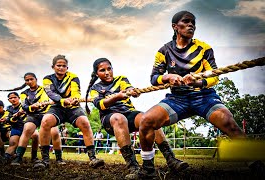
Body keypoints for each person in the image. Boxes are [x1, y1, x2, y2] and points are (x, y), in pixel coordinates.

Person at [138, 11, 250, 178]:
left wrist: (197, 82)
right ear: (175, 27)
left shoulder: (204, 48)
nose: (191, 25)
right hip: (177, 99)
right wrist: (168, 76)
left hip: (204, 96)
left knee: (228, 122)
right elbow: (154, 78)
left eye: (193, 22)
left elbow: (215, 76)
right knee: (146, 121)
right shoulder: (164, 51)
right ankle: (147, 170)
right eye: (186, 21)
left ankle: (255, 164)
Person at [86, 58, 188, 179]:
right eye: (102, 70)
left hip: (129, 113)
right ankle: (133, 167)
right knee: (119, 118)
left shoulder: (121, 79)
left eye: (109, 69)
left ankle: (171, 159)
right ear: (97, 73)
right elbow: (100, 104)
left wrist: (132, 91)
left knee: (149, 118)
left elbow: (128, 87)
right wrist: (117, 97)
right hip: (110, 118)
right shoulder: (95, 88)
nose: (107, 72)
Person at [38, 54, 104, 168]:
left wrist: (74, 99)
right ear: (53, 67)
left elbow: (76, 91)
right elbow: (51, 93)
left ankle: (93, 158)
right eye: (59, 65)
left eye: (64, 66)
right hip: (57, 106)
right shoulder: (47, 79)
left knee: (85, 122)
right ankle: (45, 160)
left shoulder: (73, 77)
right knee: (45, 121)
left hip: (73, 107)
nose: (61, 68)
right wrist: (63, 100)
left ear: (67, 68)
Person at [0, 72, 64, 166]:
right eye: (27, 80)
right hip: (33, 115)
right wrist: (32, 107)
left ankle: (58, 158)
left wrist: (53, 102)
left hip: (47, 113)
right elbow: (25, 106)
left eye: (31, 79)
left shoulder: (46, 89)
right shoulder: (24, 93)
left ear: (36, 79)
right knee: (27, 129)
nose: (29, 81)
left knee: (54, 132)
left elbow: (56, 97)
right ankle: (18, 158)